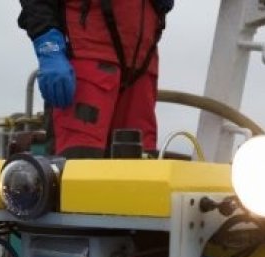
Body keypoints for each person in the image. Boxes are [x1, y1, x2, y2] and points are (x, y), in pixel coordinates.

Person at [18, 0, 174, 158]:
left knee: (141, 170)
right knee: (78, 167)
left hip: (141, 70)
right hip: (88, 66)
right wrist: (49, 47)